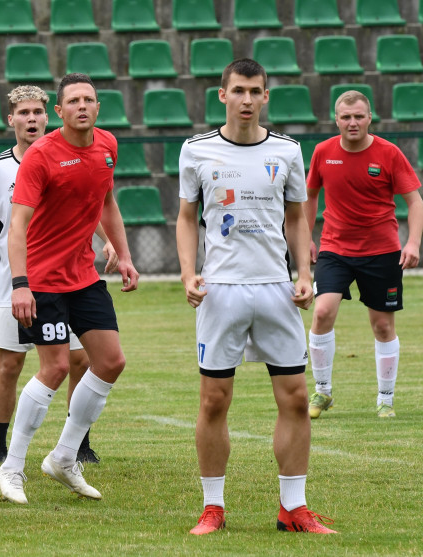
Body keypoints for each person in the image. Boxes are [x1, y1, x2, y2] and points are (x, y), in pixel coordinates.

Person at [177, 58, 336, 535]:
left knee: (294, 396)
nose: (247, 100)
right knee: (213, 400)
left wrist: (305, 272)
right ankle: (213, 508)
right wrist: (189, 273)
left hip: (275, 290)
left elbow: (297, 216)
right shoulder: (196, 151)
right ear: (221, 95)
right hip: (221, 291)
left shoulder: (287, 150)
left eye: (256, 91)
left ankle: (294, 508)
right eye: (239, 90)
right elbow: (187, 217)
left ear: (266, 97)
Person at [0, 73, 139, 506]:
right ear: (59, 111)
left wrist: (124, 255)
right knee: (54, 368)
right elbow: (15, 226)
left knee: (111, 361)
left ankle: (63, 457)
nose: (81, 106)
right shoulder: (41, 156)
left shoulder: (107, 146)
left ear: (97, 107)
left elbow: (106, 200)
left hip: (84, 277)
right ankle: (11, 467)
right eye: (72, 100)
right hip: (41, 281)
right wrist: (20, 286)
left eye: (88, 100)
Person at [0, 85, 116, 466]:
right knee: (10, 365)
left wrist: (112, 243)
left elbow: (94, 203)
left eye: (36, 113)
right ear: (11, 119)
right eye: (23, 113)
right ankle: (0, 448)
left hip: (69, 281)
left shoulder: (83, 153)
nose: (30, 119)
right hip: (17, 283)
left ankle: (76, 445)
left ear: (47, 116)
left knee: (81, 360)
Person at [303, 90, 422, 420]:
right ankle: (323, 392)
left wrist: (412, 243)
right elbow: (310, 197)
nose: (352, 122)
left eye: (358, 116)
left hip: (382, 252)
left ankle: (385, 398)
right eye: (345, 116)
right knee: (322, 311)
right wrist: (306, 239)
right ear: (336, 119)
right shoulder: (323, 152)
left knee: (382, 325)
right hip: (334, 248)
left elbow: (415, 201)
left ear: (370, 118)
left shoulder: (389, 153)